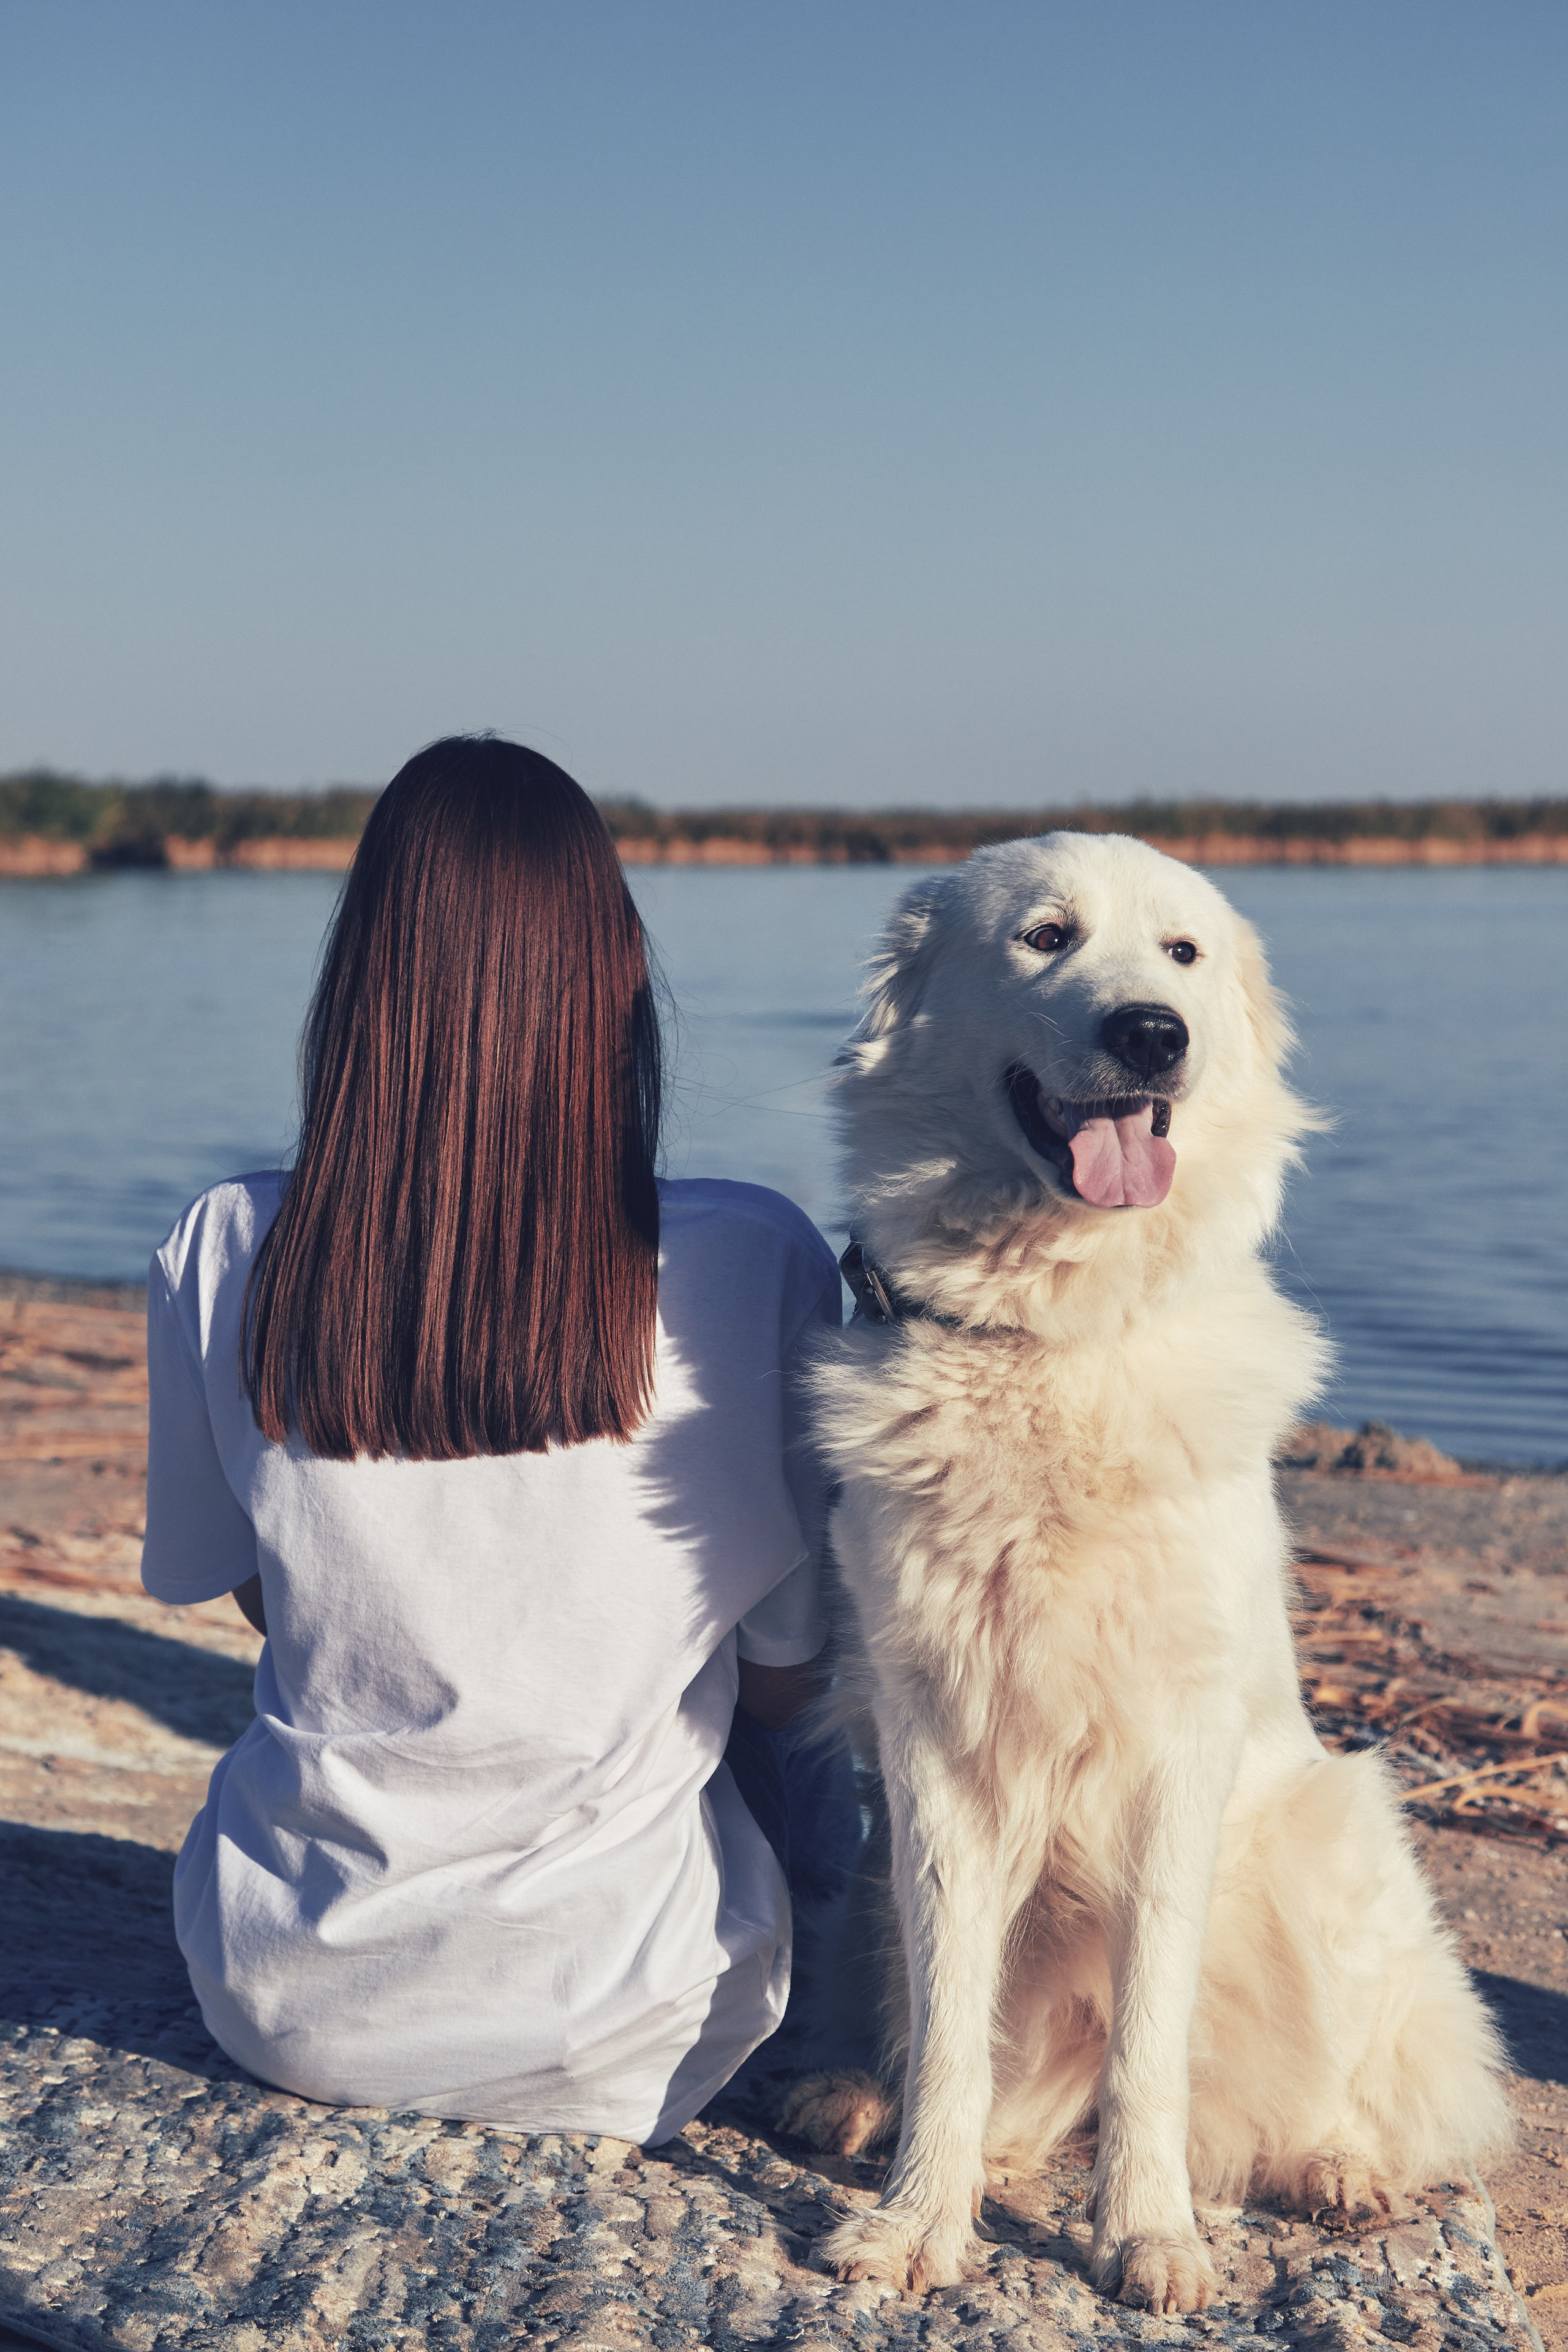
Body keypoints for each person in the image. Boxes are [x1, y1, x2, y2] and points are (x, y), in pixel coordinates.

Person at [140, 736, 843, 2143]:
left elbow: (267, 1600)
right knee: (816, 1732)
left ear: (360, 985)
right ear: (618, 970)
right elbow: (786, 1689)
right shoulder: (750, 1256)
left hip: (286, 2000)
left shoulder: (227, 1243)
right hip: (617, 2024)